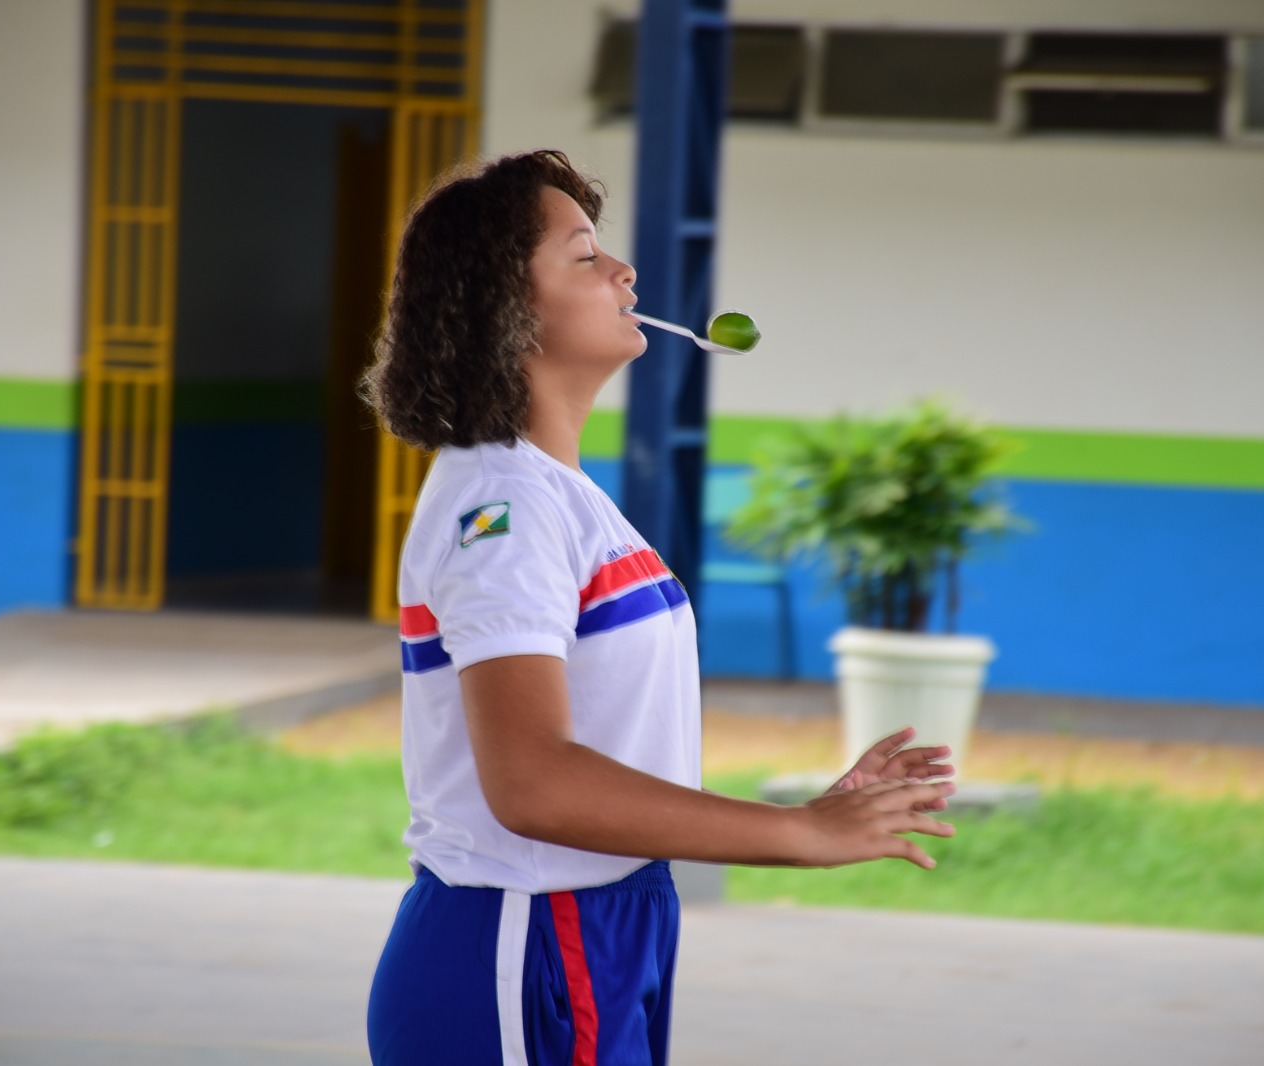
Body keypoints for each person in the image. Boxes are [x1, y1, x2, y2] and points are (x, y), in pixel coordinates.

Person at [361, 149, 956, 1066]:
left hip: (601, 926)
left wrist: (809, 812)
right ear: (505, 306)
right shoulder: (503, 510)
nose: (623, 272)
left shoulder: (557, 495)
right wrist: (797, 834)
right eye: (585, 253)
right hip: (525, 937)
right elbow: (534, 784)